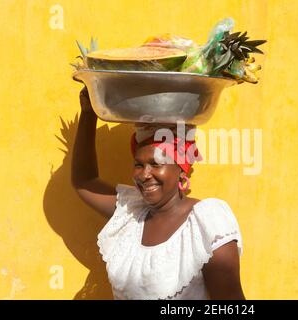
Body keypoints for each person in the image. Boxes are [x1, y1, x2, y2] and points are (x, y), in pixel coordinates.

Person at [71, 87, 245, 300]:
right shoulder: (132, 215)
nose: (145, 175)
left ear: (181, 171)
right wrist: (89, 113)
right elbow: (84, 181)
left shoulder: (206, 223)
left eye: (156, 164)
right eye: (138, 164)